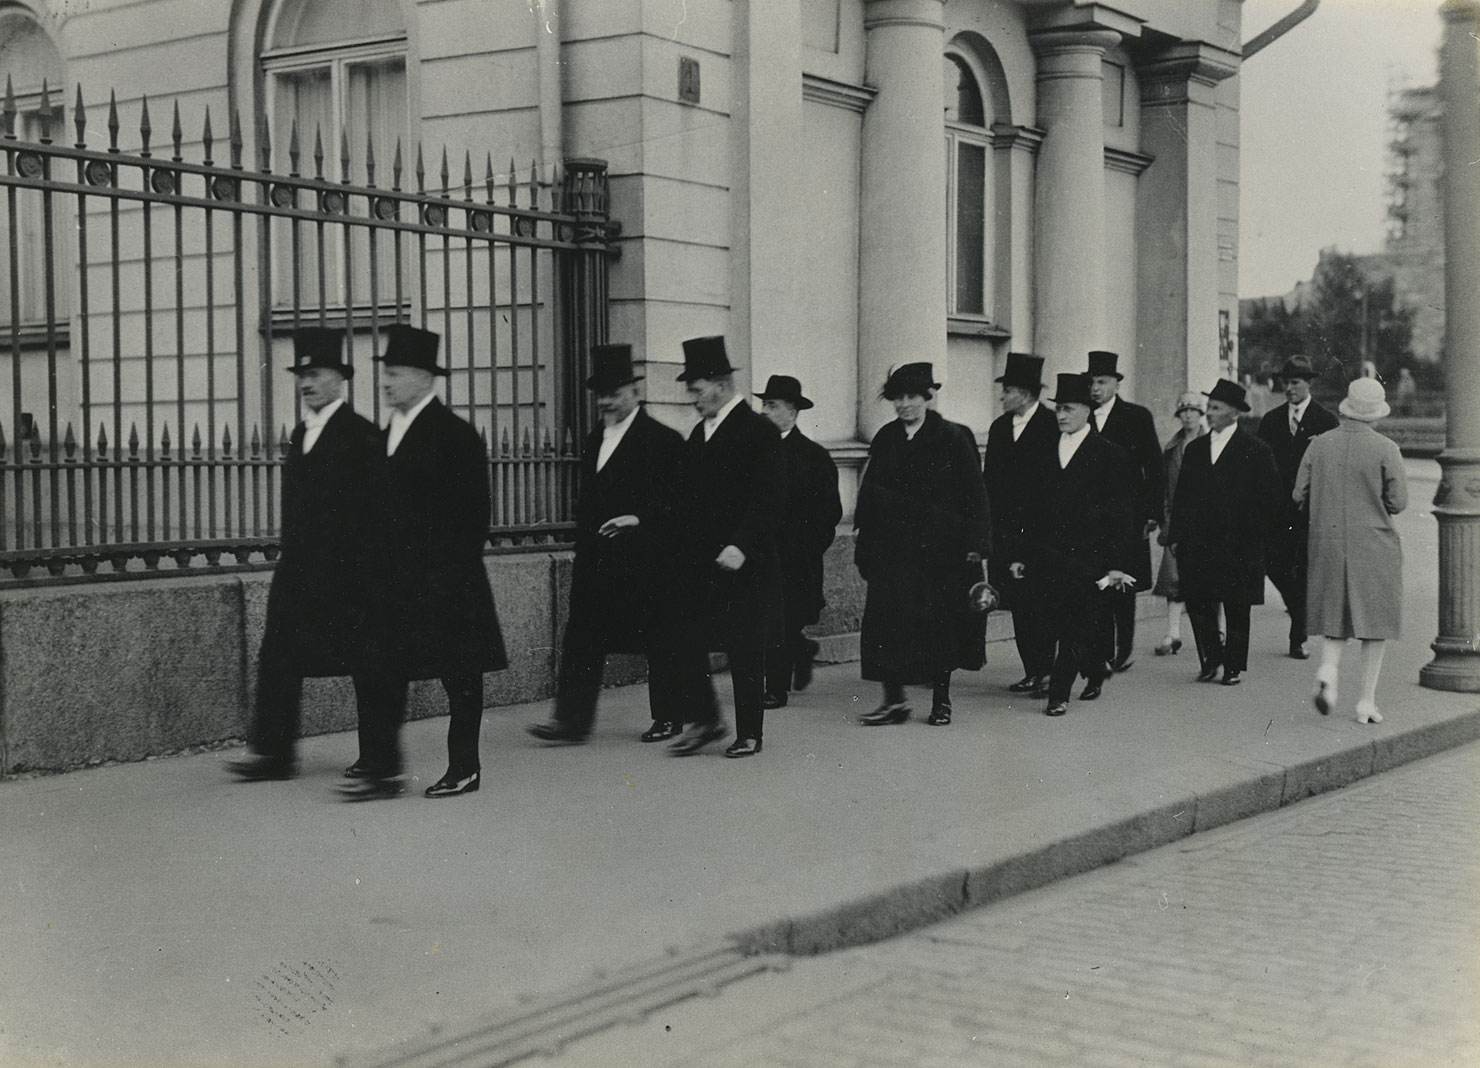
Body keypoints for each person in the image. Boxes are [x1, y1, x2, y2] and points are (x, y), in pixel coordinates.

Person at [343, 324, 508, 800]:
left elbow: (472, 519)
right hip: (389, 581)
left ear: (422, 377)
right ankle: (381, 765)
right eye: (385, 373)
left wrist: (435, 575)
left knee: (459, 676)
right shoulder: (382, 436)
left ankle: (465, 766)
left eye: (395, 373)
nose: (386, 382)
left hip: (443, 581)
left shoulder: (454, 436)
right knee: (378, 669)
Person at [228, 328, 381, 781]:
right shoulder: (301, 433)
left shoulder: (361, 434)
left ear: (339, 378)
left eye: (315, 374)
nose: (306, 383)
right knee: (279, 655)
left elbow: (372, 511)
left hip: (347, 572)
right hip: (299, 569)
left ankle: (375, 756)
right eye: (301, 375)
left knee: (365, 661)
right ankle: (273, 753)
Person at [526, 343, 684, 745]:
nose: (606, 401)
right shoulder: (597, 438)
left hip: (645, 557)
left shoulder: (662, 439)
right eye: (601, 394)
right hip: (597, 559)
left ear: (634, 392)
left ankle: (669, 716)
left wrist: (641, 519)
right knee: (581, 636)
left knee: (658, 637)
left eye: (614, 392)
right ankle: (571, 722)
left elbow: (682, 501)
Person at [651, 335, 784, 758]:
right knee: (684, 635)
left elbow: (769, 497)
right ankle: (706, 720)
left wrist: (741, 546)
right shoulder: (699, 434)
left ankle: (749, 732)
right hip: (701, 558)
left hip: (745, 559)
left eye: (696, 389)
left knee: (744, 646)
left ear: (721, 384)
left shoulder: (758, 430)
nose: (692, 398)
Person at [854, 363, 990, 727]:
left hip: (939, 553)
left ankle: (941, 701)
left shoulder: (952, 438)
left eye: (912, 397)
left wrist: (975, 544)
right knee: (887, 625)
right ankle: (893, 701)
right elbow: (870, 497)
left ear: (927, 398)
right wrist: (864, 544)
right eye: (898, 398)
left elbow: (974, 495)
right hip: (892, 553)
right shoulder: (886, 438)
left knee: (938, 626)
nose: (904, 405)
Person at [1011, 373, 1136, 717]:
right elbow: (1029, 509)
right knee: (1048, 623)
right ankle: (1095, 668)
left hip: (1090, 558)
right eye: (1058, 409)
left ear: (1087, 411)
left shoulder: (1109, 455)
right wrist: (1020, 554)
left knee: (1075, 625)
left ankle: (1059, 693)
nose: (1061, 415)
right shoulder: (1044, 452)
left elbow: (1121, 515)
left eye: (1068, 409)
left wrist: (1116, 564)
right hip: (1047, 556)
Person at [1295, 378, 1408, 724]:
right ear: (1376, 413)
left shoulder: (1319, 445)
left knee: (1335, 617)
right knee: (1375, 625)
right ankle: (1366, 702)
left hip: (1327, 543)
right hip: (1373, 545)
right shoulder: (1386, 448)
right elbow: (1399, 502)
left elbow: (1299, 493)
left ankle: (1328, 672)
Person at [1167, 379, 1282, 687]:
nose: (1209, 414)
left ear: (1234, 413)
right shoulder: (1196, 449)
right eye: (1208, 408)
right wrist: (1176, 536)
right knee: (1198, 601)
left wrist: (1254, 537)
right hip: (1197, 543)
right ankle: (1210, 657)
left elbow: (1270, 500)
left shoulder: (1256, 451)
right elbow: (1183, 497)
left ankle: (1232, 665)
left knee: (1236, 605)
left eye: (1215, 408)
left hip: (1238, 545)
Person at [755, 374, 842, 709]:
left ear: (792, 411)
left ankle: (776, 689)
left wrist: (805, 550)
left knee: (785, 621)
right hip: (760, 555)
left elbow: (829, 513)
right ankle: (801, 651)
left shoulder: (814, 456)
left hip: (796, 559)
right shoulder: (753, 451)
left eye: (772, 405)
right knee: (769, 622)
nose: (764, 411)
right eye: (763, 404)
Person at [982, 352, 1058, 697]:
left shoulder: (1051, 426)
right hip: (1005, 532)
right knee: (1018, 605)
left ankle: (1046, 672)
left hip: (1039, 532)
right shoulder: (1000, 428)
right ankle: (1031, 671)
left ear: (1026, 394)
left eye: (1008, 390)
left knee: (1040, 604)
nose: (1002, 396)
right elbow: (990, 481)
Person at [1084, 350, 1163, 674]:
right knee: (1097, 580)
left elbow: (1154, 467)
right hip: (1089, 515)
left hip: (1128, 514)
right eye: (1091, 382)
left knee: (1123, 584)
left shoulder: (1136, 417)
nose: (1095, 388)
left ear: (1116, 384)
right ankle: (1102, 650)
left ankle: (1124, 647)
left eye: (1102, 382)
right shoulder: (1081, 416)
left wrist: (1151, 513)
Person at [1256, 354, 1339, 659]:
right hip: (1276, 510)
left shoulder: (1326, 420)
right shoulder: (1272, 420)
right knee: (1273, 565)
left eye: (1295, 383)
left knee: (1303, 569)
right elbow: (1260, 465)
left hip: (1310, 511)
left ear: (1308, 384)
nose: (1288, 388)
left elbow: (1333, 468)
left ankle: (1298, 637)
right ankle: (1296, 609)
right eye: (1285, 383)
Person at [1151, 391, 1208, 657]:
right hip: (1176, 522)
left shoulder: (1211, 444)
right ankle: (1172, 634)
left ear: (1201, 414)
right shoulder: (1172, 448)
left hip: (1205, 524)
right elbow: (1164, 489)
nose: (1187, 416)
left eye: (1193, 411)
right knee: (1173, 580)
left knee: (1208, 581)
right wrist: (1164, 522)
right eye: (1183, 411)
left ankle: (1213, 633)